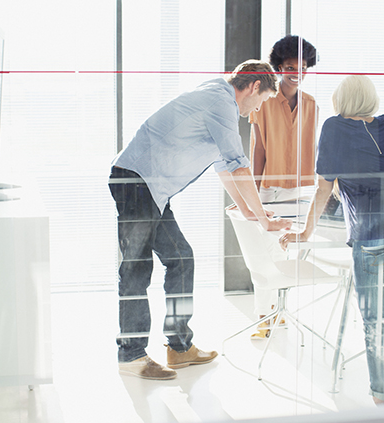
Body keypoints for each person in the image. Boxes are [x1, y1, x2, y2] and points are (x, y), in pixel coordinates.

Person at [109, 60, 292, 380]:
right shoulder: (221, 103)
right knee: (136, 267)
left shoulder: (216, 95)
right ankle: (131, 355)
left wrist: (250, 212)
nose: (254, 112)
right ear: (253, 87)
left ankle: (179, 347)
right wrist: (263, 220)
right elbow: (238, 166)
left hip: (151, 188)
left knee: (181, 257)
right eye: (260, 102)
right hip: (137, 183)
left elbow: (224, 166)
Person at [281, 75, 384, 423]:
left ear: (341, 102)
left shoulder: (334, 127)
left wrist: (304, 232)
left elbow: (324, 187)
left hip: (376, 240)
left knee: (377, 326)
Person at [248, 35, 318, 338]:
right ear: (279, 67)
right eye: (290, 66)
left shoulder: (312, 105)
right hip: (269, 189)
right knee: (264, 254)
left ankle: (278, 313)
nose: (296, 72)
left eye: (302, 67)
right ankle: (264, 315)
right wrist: (253, 195)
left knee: (286, 256)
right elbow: (258, 150)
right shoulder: (263, 102)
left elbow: (314, 149)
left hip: (302, 191)